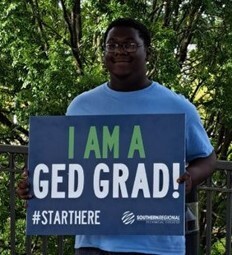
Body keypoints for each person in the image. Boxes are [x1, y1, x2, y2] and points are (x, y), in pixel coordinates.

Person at [17, 18, 216, 255]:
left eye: (130, 45)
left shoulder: (177, 107)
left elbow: (208, 159)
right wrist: (35, 184)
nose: (120, 51)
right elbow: (62, 164)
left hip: (157, 245)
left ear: (147, 52)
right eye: (112, 45)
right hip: (93, 244)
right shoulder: (80, 107)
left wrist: (191, 177)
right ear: (104, 53)